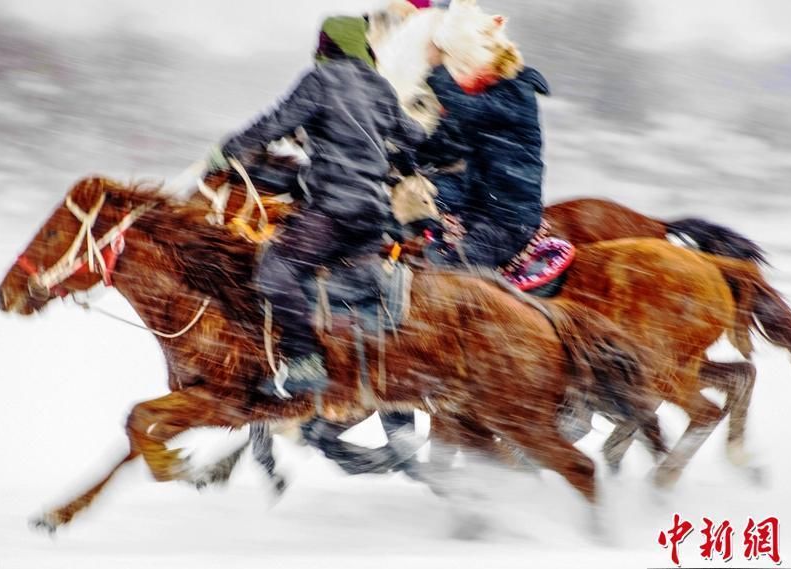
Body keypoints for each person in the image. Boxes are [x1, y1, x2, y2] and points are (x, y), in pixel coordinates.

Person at [212, 16, 425, 398]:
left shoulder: (321, 80)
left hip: (334, 210)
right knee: (347, 290)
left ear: (328, 45)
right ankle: (355, 369)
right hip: (372, 215)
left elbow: (276, 122)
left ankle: (305, 360)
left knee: (274, 271)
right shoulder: (380, 87)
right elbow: (412, 139)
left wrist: (226, 151)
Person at [422, 38, 550, 269]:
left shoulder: (515, 93)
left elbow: (468, 110)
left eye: (464, 68)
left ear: (489, 67)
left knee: (450, 273)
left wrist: (437, 69)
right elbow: (441, 145)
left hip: (507, 222)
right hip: (478, 216)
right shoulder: (484, 98)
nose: (461, 76)